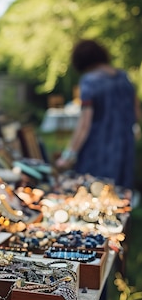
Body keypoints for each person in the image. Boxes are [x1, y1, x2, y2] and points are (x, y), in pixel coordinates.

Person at [55, 39, 140, 191]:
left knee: (95, 197)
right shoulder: (124, 78)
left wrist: (68, 155)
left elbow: (84, 125)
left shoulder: (90, 81)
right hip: (124, 147)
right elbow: (136, 112)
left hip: (98, 151)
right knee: (119, 198)